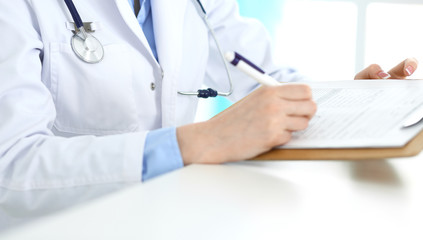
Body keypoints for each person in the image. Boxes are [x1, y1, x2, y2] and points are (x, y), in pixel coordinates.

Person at [0, 0, 418, 190]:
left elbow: (265, 80)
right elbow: (12, 164)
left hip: (169, 213)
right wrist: (198, 142)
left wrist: (349, 100)